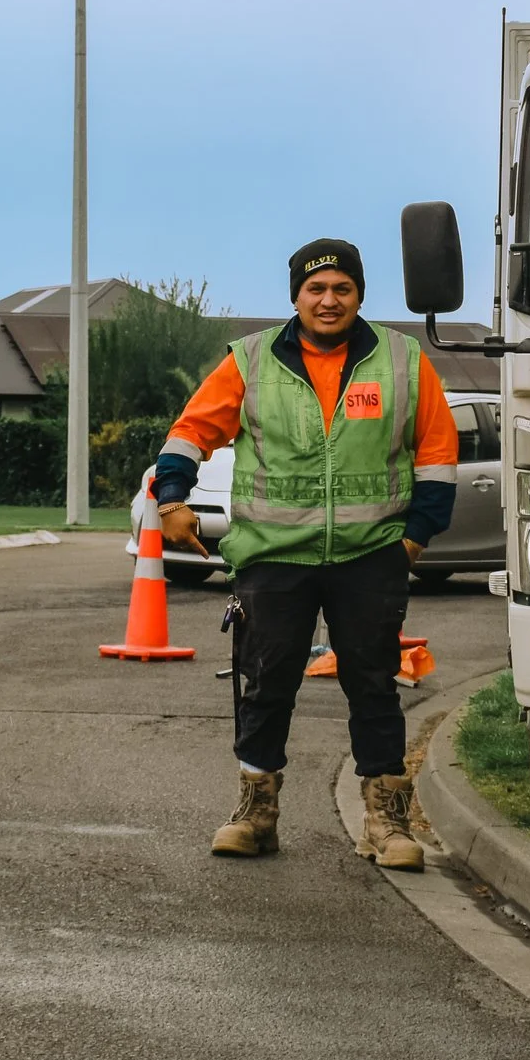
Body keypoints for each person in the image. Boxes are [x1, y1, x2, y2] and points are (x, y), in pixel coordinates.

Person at [152, 239, 458, 869]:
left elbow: (436, 453)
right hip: (272, 555)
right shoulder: (250, 360)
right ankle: (255, 814)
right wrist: (172, 499)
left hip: (371, 554)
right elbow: (191, 430)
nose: (328, 300)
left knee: (374, 686)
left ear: (359, 295)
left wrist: (414, 538)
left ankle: (386, 823)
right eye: (316, 289)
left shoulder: (403, 360)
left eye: (342, 288)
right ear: (296, 296)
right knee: (266, 684)